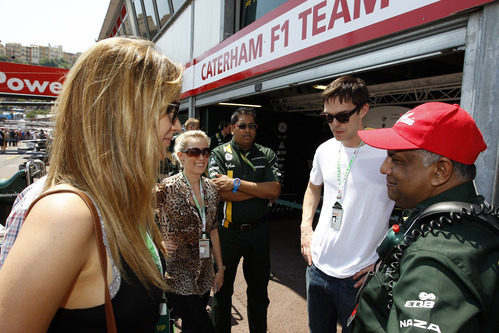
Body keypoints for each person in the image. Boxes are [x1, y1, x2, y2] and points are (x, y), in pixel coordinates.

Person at [0, 37, 183, 331]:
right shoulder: (67, 213)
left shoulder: (120, 200)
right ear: (126, 112)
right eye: (171, 109)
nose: (177, 126)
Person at [353, 102, 498, 332]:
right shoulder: (465, 217)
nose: (384, 168)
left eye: (396, 159)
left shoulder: (435, 261)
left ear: (440, 171)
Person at [300, 75, 395, 333]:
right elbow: (312, 187)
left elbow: (418, 206)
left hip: (358, 278)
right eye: (328, 117)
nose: (334, 124)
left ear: (363, 109)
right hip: (317, 268)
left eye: (342, 116)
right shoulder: (324, 150)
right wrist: (305, 228)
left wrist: (385, 261)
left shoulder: (388, 152)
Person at [208, 107, 281, 333]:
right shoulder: (219, 153)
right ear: (232, 128)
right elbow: (220, 193)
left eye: (252, 126)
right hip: (227, 234)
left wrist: (236, 184)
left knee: (259, 292)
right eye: (242, 126)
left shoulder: (266, 154)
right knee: (222, 292)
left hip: (258, 234)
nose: (247, 130)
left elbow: (275, 190)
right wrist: (260, 190)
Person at [156, 130, 224, 333]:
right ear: (181, 156)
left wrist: (220, 267)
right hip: (177, 271)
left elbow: (212, 230)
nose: (201, 158)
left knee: (192, 327)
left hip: (203, 271)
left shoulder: (211, 189)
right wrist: (158, 241)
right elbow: (136, 218)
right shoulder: (166, 188)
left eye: (206, 151)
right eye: (194, 152)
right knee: (203, 327)